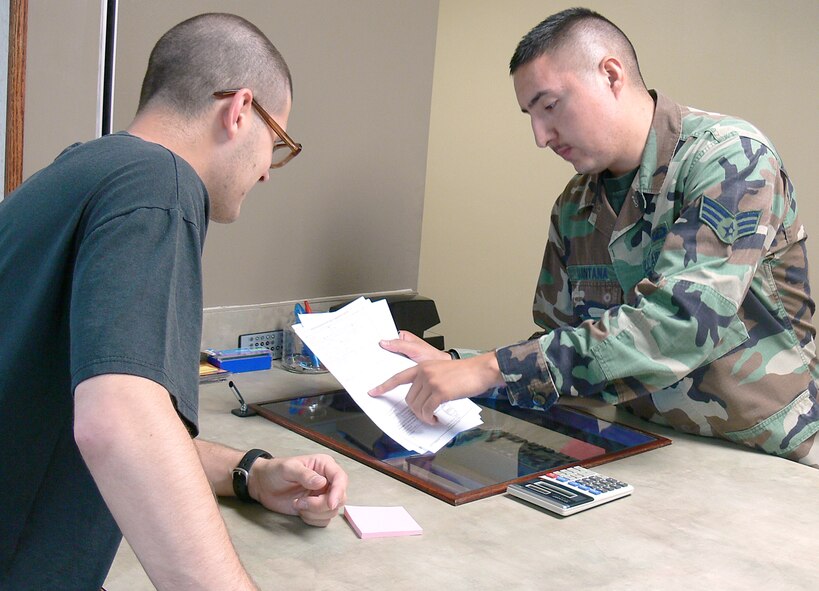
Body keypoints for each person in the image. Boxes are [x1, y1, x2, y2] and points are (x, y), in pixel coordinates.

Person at [371, 7, 819, 469]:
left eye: (549, 106)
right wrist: (454, 364)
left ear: (610, 74)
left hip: (772, 455)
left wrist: (487, 368)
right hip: (648, 450)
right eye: (530, 115)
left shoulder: (730, 160)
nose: (540, 137)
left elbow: (680, 324)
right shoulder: (576, 204)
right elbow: (564, 347)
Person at [0, 13, 348, 590]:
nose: (267, 174)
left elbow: (84, 422)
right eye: (277, 144)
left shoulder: (79, 171)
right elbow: (120, 421)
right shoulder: (159, 184)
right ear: (240, 111)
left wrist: (250, 474)